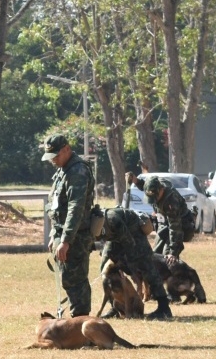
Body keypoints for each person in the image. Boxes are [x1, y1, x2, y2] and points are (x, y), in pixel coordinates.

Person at [44, 134, 95, 316]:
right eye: (51, 157)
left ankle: (80, 322)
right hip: (64, 232)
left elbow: (76, 208)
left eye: (56, 156)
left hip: (77, 236)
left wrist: (65, 241)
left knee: (76, 279)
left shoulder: (77, 171)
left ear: (66, 149)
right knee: (68, 277)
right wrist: (54, 235)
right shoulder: (63, 169)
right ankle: (77, 322)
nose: (53, 161)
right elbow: (56, 206)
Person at [96, 206, 172, 320]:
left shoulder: (113, 220)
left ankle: (164, 307)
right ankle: (115, 307)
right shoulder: (92, 221)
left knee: (147, 266)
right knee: (105, 266)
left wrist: (130, 271)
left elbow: (128, 243)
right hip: (115, 237)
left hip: (134, 233)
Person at [130, 172, 189, 261]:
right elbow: (145, 186)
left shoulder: (171, 202)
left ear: (161, 190)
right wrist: (135, 180)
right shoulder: (156, 184)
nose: (154, 201)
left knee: (167, 258)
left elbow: (175, 228)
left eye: (155, 197)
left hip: (178, 225)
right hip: (164, 223)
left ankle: (175, 272)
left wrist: (173, 253)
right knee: (156, 254)